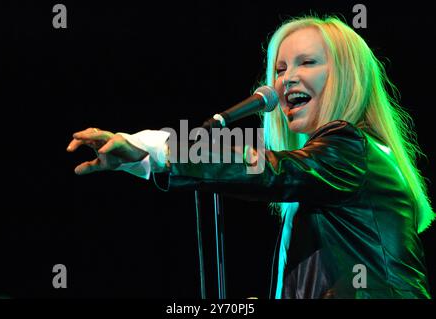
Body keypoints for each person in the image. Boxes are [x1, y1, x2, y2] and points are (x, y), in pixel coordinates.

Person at [67, 16, 434, 298]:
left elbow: (270, 170)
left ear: (347, 76)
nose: (286, 80)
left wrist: (153, 149)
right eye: (280, 69)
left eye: (307, 63)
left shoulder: (350, 147)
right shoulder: (337, 171)